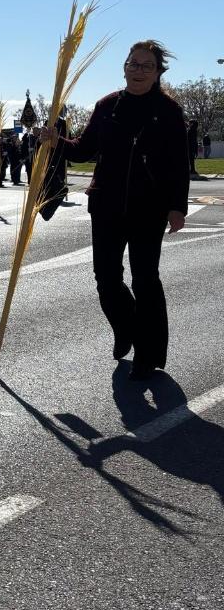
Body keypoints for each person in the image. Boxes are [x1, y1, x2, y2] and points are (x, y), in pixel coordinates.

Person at [42, 40, 189, 381]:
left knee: (145, 279)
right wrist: (55, 141)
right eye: (133, 64)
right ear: (124, 67)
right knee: (106, 279)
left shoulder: (168, 111)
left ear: (157, 73)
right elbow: (82, 150)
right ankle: (127, 328)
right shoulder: (107, 106)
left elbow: (179, 164)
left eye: (146, 66)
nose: (138, 71)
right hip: (106, 205)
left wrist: (177, 208)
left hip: (148, 209)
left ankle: (148, 355)